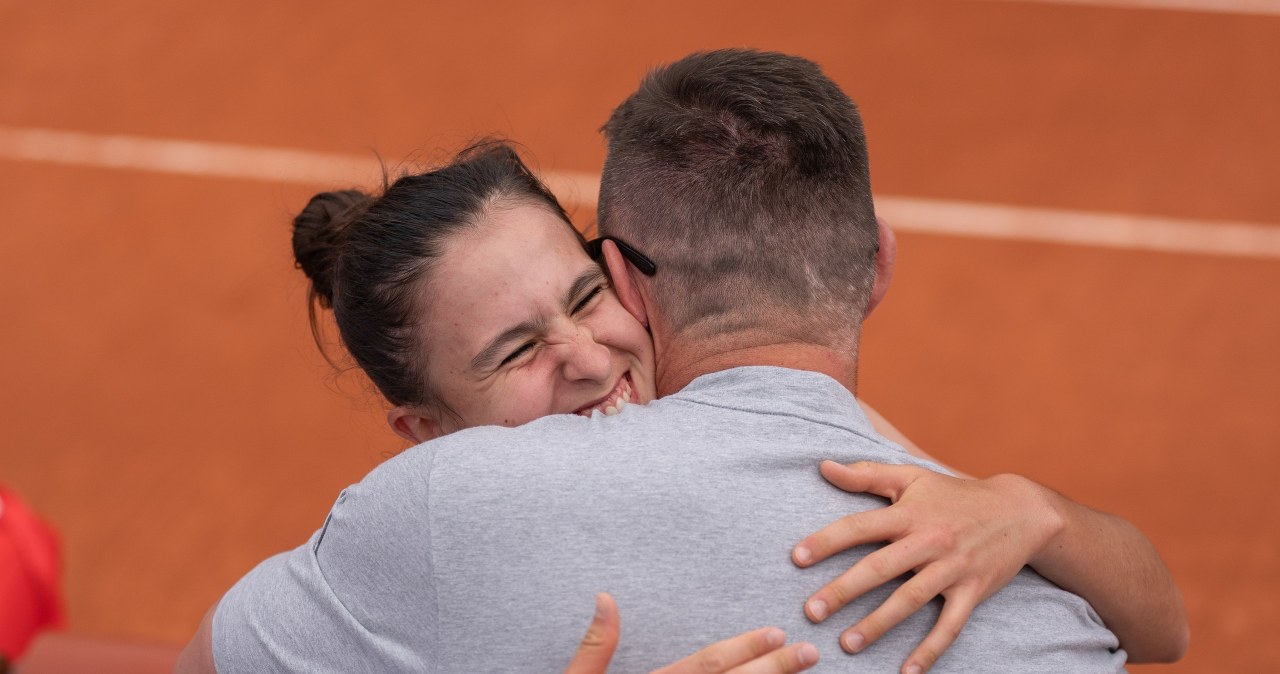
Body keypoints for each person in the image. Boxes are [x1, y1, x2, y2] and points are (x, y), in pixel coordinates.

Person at [182, 50, 1187, 672]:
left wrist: (1032, 508)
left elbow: (1158, 621)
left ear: (626, 284)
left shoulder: (903, 481)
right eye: (515, 350)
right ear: (427, 435)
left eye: (583, 299)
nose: (584, 357)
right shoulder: (434, 516)